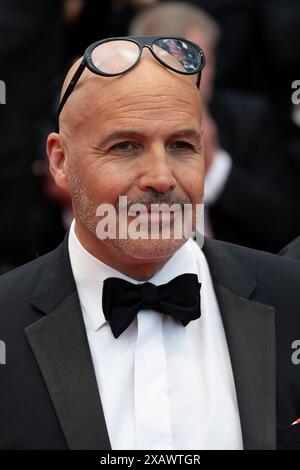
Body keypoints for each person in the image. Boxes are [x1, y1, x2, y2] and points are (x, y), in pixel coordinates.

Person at [0, 37, 300, 450]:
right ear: (60, 161)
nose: (160, 177)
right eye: (125, 146)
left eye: (181, 146)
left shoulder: (291, 299)